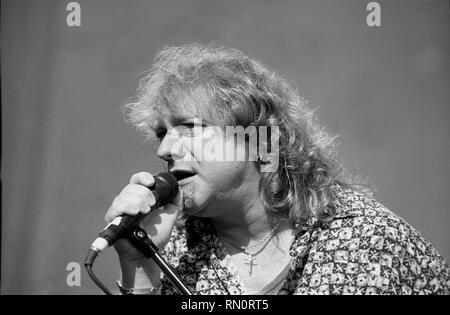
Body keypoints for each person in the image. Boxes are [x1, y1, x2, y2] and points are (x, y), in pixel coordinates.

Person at [104, 43, 449, 295]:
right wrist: (139, 267)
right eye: (162, 134)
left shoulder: (360, 236)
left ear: (259, 140)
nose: (165, 149)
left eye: (189, 128)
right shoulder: (174, 247)